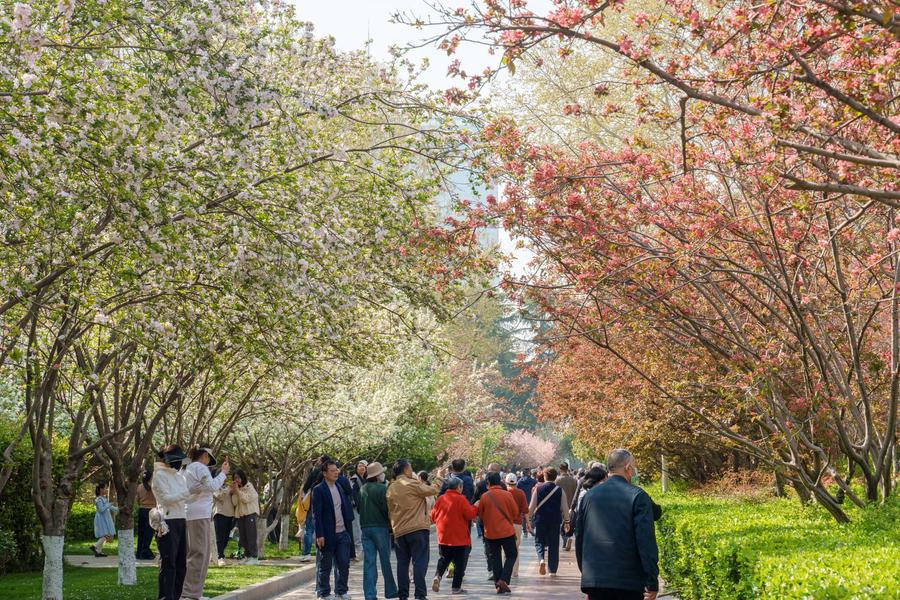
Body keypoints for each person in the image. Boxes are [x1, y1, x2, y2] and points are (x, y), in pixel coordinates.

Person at [576, 449, 659, 600]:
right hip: (629, 581)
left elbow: (580, 537)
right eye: (633, 466)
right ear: (628, 467)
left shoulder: (589, 496)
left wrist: (586, 572)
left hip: (595, 578)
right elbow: (645, 541)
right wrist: (652, 580)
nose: (634, 470)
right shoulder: (638, 496)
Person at [386, 459, 443, 600]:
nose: (411, 471)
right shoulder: (412, 483)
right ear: (405, 470)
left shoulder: (391, 488)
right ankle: (420, 594)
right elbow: (433, 490)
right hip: (417, 528)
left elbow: (390, 511)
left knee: (402, 564)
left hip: (399, 531)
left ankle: (403, 595)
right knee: (419, 561)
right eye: (410, 468)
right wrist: (440, 477)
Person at [182, 446, 229, 599]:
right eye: (209, 458)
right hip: (199, 515)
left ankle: (191, 592)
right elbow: (212, 486)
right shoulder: (199, 467)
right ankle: (191, 593)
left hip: (191, 514)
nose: (209, 462)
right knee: (199, 554)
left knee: (195, 553)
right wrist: (223, 473)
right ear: (204, 456)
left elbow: (203, 487)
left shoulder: (188, 468)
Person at [152, 444, 191, 600]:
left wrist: (186, 493)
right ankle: (165, 597)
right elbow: (166, 499)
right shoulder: (159, 476)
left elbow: (182, 497)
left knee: (181, 563)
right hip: (167, 521)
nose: (180, 463)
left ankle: (176, 596)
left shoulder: (178, 476)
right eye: (177, 460)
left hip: (181, 519)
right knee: (169, 563)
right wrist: (186, 493)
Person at [312, 460, 355, 600]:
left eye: (337, 470)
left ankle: (341, 591)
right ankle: (324, 592)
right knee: (325, 566)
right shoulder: (318, 490)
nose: (336, 472)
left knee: (343, 564)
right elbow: (316, 515)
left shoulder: (339, 487)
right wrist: (319, 535)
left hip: (342, 532)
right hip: (327, 534)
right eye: (332, 470)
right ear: (325, 473)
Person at [358, 461, 398, 600]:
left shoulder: (362, 488)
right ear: (377, 475)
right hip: (380, 528)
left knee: (369, 563)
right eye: (382, 473)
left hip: (365, 528)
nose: (383, 475)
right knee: (385, 560)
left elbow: (359, 508)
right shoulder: (382, 489)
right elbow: (386, 510)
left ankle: (370, 595)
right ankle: (391, 591)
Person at [430, 476, 478, 594]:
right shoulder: (461, 499)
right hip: (459, 538)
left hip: (444, 536)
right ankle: (456, 587)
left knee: (444, 559)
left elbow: (433, 516)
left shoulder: (441, 499)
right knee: (459, 563)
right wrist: (476, 506)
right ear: (459, 487)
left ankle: (438, 576)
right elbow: (470, 514)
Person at [476, 472, 519, 595]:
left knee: (495, 558)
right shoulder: (507, 495)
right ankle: (503, 579)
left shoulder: (484, 496)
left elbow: (481, 516)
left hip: (490, 533)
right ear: (500, 482)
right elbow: (515, 512)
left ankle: (498, 585)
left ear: (488, 483)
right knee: (511, 554)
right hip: (507, 531)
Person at [528, 466, 570, 576]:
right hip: (555, 520)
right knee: (554, 544)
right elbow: (565, 507)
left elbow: (531, 507)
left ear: (545, 476)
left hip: (540, 519)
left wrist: (528, 520)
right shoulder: (560, 490)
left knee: (539, 542)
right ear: (556, 477)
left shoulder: (538, 489)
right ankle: (553, 570)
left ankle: (541, 559)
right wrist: (567, 521)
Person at [473, 463, 506, 578]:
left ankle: (493, 569)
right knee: (496, 546)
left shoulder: (481, 484)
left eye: (491, 470)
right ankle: (494, 569)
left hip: (486, 520)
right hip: (496, 521)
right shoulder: (501, 485)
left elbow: (475, 501)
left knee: (489, 547)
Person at [231, 469, 260, 565]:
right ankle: (247, 556)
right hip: (240, 515)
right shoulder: (237, 489)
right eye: (235, 478)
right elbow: (234, 502)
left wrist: (238, 491)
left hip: (250, 514)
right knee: (243, 537)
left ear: (242, 477)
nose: (237, 480)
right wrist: (234, 492)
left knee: (251, 536)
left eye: (238, 477)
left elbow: (246, 500)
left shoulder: (249, 486)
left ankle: (254, 557)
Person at [505, 473, 528, 578]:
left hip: (504, 523)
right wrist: (529, 523)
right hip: (517, 523)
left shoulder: (504, 493)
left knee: (504, 548)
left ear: (506, 482)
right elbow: (525, 510)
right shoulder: (520, 493)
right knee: (516, 548)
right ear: (516, 482)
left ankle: (505, 571)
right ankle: (515, 572)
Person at [213, 477, 236, 566]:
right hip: (220, 513)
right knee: (220, 537)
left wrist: (233, 490)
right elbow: (219, 496)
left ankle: (220, 555)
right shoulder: (215, 487)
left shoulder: (228, 487)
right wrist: (228, 489)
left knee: (226, 537)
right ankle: (220, 556)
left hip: (230, 514)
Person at [556, 462, 578, 552]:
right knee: (568, 523)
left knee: (561, 524)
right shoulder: (573, 480)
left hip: (560, 506)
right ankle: (568, 536)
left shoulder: (557, 480)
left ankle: (565, 540)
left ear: (560, 469)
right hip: (571, 506)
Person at [92, 482, 118, 557]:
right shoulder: (98, 499)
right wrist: (109, 504)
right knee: (107, 534)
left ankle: (98, 551)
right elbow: (101, 510)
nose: (106, 489)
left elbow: (111, 508)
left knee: (106, 534)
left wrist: (118, 509)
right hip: (101, 519)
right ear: (100, 489)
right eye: (105, 488)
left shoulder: (104, 498)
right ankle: (95, 546)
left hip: (106, 518)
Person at [136, 470, 156, 559]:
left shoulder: (139, 487)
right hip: (151, 511)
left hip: (141, 510)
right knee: (149, 532)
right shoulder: (153, 487)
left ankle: (139, 551)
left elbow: (137, 499)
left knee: (141, 532)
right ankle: (145, 551)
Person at [350, 460, 368, 559]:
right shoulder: (354, 479)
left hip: (363, 508)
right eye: (359, 466)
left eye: (363, 467)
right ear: (356, 469)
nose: (362, 468)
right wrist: (358, 504)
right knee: (356, 528)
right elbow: (353, 494)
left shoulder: (365, 479)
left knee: (361, 527)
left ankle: (362, 549)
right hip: (356, 507)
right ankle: (358, 549)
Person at [515, 469, 536, 539]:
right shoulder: (533, 481)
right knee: (532, 515)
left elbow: (517, 491)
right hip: (531, 499)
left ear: (523, 473)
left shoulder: (520, 482)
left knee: (523, 516)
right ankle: (531, 528)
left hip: (522, 500)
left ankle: (525, 532)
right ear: (529, 473)